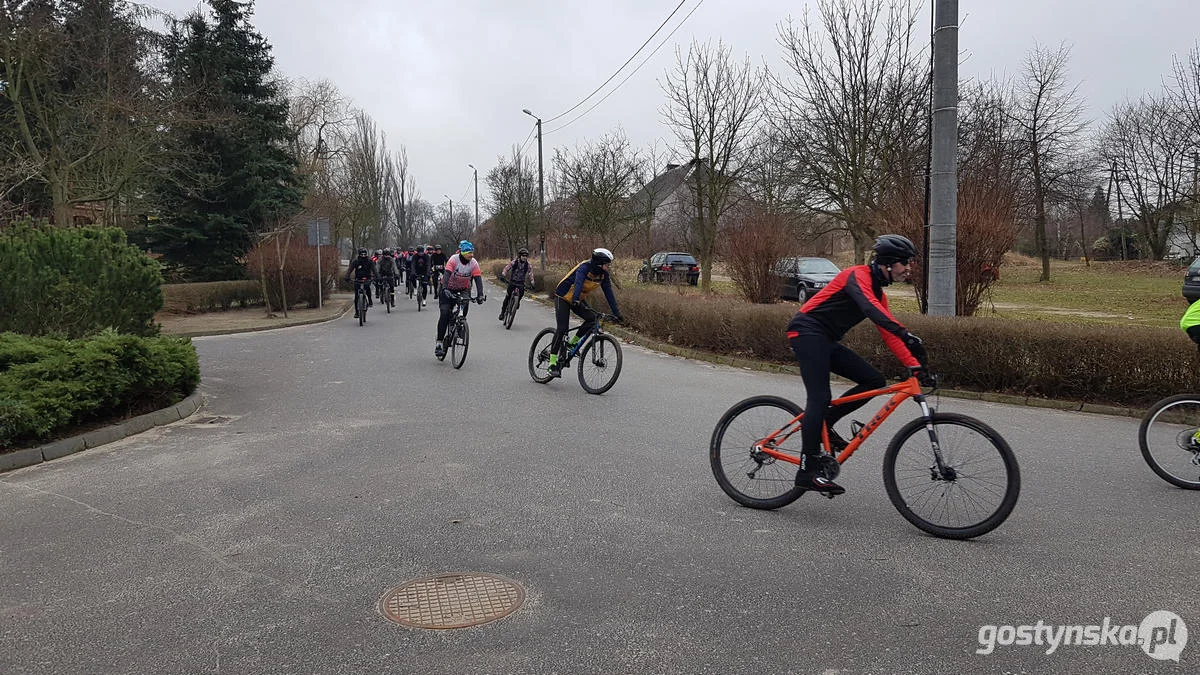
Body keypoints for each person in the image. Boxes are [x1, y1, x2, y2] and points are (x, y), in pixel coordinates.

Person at [786, 234, 928, 495]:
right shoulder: (857, 276)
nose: (909, 268)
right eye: (905, 263)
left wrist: (914, 365)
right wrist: (906, 333)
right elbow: (872, 310)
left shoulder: (878, 293)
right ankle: (806, 471)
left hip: (825, 339)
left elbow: (888, 334)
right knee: (819, 397)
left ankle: (825, 423)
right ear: (888, 262)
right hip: (805, 331)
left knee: (874, 380)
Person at [549, 247, 624, 377]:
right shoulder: (584, 268)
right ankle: (552, 363)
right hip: (563, 296)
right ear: (599, 264)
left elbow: (609, 294)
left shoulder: (603, 275)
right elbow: (578, 283)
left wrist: (618, 314)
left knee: (592, 319)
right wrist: (576, 299)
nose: (608, 267)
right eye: (606, 265)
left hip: (577, 299)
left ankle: (572, 344)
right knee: (562, 329)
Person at [435, 240, 485, 358]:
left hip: (463, 289)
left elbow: (478, 279)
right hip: (448, 288)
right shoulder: (453, 260)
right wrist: (445, 288)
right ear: (462, 252)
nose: (471, 255)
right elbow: (446, 274)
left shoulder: (473, 263)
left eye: (472, 252)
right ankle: (439, 343)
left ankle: (459, 326)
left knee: (464, 309)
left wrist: (480, 295)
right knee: (445, 314)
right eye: (468, 252)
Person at [499, 247, 535, 320]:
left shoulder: (528, 265)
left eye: (526, 256)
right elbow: (506, 268)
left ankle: (517, 302)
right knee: (507, 297)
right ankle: (502, 313)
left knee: (521, 294)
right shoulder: (514, 262)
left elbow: (531, 274)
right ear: (520, 256)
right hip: (512, 281)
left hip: (521, 283)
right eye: (523, 256)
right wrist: (503, 274)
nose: (524, 257)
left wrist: (532, 283)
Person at [344, 248, 376, 318]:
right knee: (356, 296)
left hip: (367, 278)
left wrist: (376, 277)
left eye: (365, 254)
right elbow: (350, 269)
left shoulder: (369, 261)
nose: (363, 255)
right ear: (359, 254)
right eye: (362, 254)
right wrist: (347, 276)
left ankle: (370, 300)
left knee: (367, 288)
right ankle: (357, 312)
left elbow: (374, 269)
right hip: (358, 279)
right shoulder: (356, 261)